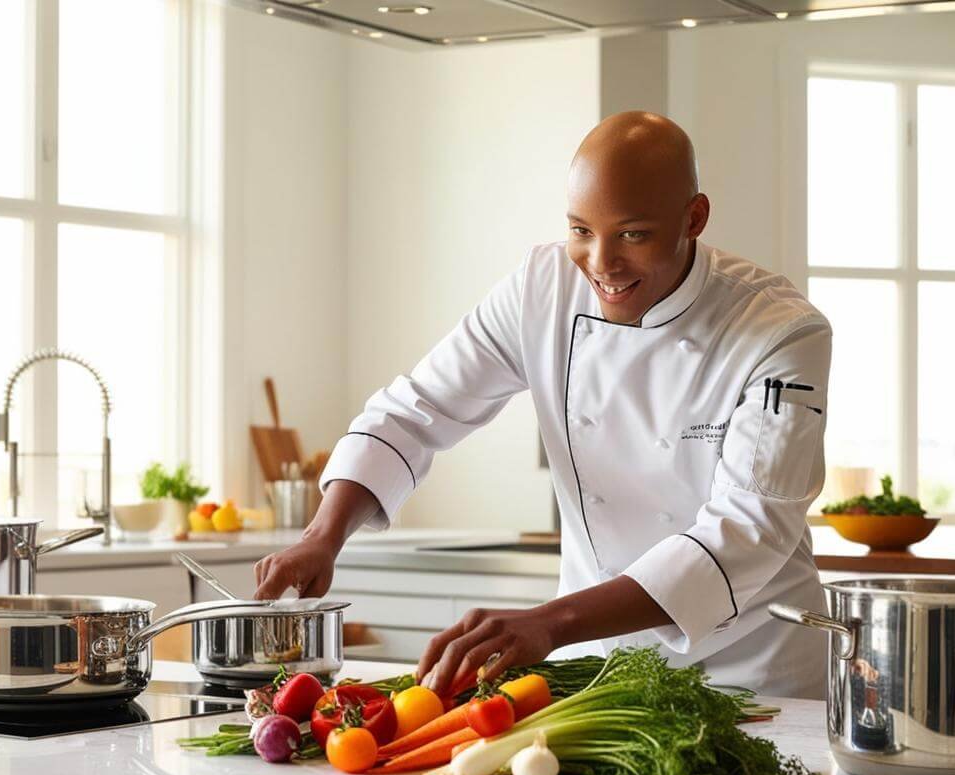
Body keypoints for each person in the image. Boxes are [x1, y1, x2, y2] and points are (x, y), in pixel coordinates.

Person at [253, 111, 831, 700]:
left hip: (755, 673)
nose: (601, 263)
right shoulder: (542, 288)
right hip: (595, 672)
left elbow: (747, 532)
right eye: (582, 229)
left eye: (633, 234)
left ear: (694, 218)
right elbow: (415, 410)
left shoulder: (780, 331)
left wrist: (549, 621)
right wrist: (322, 536)